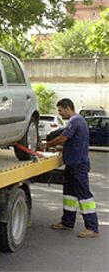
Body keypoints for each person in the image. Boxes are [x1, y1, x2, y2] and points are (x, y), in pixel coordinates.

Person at [40, 98, 99, 238]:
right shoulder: (79, 121)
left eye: (60, 111)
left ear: (67, 108)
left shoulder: (75, 121)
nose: (60, 114)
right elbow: (72, 143)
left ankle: (92, 227)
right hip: (73, 164)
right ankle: (67, 221)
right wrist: (60, 149)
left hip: (78, 165)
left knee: (84, 196)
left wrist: (46, 145)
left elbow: (63, 138)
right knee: (69, 195)